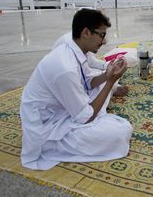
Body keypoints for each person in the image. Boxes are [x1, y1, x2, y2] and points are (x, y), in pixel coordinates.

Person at [20, 9, 133, 170]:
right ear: (86, 32)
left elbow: (87, 81)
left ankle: (97, 115)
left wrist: (107, 76)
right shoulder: (64, 66)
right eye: (101, 35)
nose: (104, 41)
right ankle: (50, 146)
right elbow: (84, 118)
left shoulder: (75, 50)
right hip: (47, 125)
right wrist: (110, 82)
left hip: (62, 108)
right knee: (120, 132)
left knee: (102, 86)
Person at [52, 31, 129, 96]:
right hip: (64, 91)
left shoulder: (82, 40)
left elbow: (92, 63)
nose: (104, 42)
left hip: (76, 81)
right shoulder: (73, 49)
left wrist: (108, 66)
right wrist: (111, 85)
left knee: (100, 73)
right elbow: (87, 84)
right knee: (97, 90)